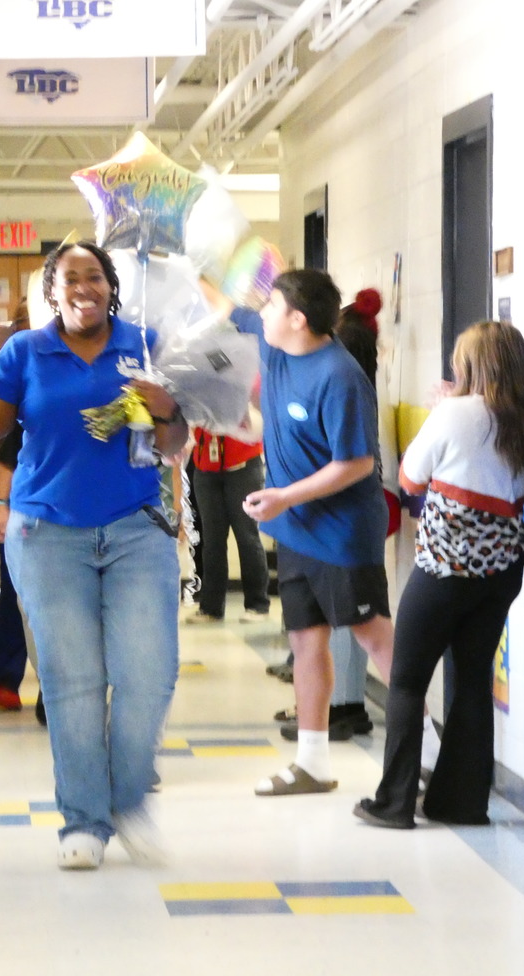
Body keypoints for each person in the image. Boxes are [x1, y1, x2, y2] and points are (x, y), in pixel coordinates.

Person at [0, 240, 187, 870]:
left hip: (137, 529)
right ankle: (84, 819)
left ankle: (129, 800)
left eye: (95, 276)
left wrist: (166, 409)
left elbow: (173, 441)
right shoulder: (26, 350)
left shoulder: (146, 342)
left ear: (112, 287)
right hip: (47, 535)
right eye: (69, 278)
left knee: (149, 673)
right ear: (51, 293)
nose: (83, 286)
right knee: (73, 682)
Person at [223, 269, 395, 796]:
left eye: (272, 306)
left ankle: (434, 750)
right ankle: (313, 763)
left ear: (298, 319)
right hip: (296, 533)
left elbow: (356, 463)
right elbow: (222, 297)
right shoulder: (276, 351)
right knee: (305, 642)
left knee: (375, 639)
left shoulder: (339, 375)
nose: (263, 313)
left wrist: (284, 497)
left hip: (342, 534)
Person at [355, 321, 524, 829]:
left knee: (407, 681)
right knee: (473, 682)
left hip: (445, 569)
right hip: (502, 573)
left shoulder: (455, 413)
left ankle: (394, 804)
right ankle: (463, 802)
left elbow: (410, 478)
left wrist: (441, 411)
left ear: (469, 366)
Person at [0, 425, 45, 724]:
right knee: (19, 600)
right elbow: (6, 460)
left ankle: (11, 681)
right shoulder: (35, 402)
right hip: (31, 518)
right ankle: (10, 682)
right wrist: (1, 505)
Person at [185, 425, 269, 623]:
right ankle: (211, 608)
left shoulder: (244, 392)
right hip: (205, 468)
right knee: (212, 541)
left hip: (244, 465)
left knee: (247, 537)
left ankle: (258, 605)